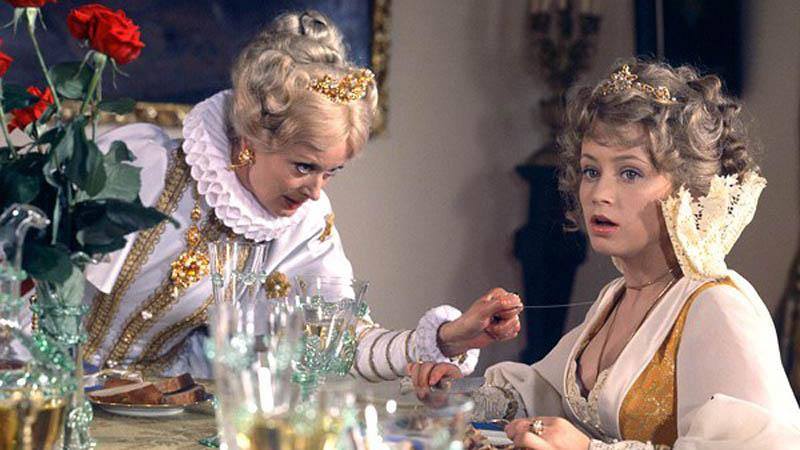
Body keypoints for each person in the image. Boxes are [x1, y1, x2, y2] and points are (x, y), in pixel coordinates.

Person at [69, 10, 522, 379]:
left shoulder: (304, 224)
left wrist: (445, 338)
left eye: (331, 172)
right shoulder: (142, 165)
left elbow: (341, 341)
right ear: (252, 137)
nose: (315, 191)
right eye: (304, 166)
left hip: (149, 411)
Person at [409, 61, 800, 449]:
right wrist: (458, 396)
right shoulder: (615, 296)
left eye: (630, 173)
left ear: (687, 189)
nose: (599, 194)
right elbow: (546, 395)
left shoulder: (716, 306)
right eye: (591, 171)